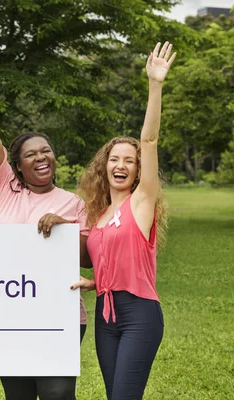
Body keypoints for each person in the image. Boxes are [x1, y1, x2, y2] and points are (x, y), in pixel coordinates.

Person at [0, 55, 91, 400]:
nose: (41, 157)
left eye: (47, 151)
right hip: (8, 314)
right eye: (31, 154)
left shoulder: (74, 203)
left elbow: (88, 259)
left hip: (60, 316)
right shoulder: (4, 188)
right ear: (18, 166)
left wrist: (65, 227)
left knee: (57, 395)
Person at [73, 41, 175, 400]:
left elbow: (149, 139)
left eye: (129, 161)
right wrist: (94, 282)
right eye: (114, 159)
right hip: (106, 315)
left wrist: (155, 83)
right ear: (105, 166)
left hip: (138, 315)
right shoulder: (99, 215)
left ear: (138, 170)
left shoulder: (142, 202)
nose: (121, 165)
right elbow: (111, 259)